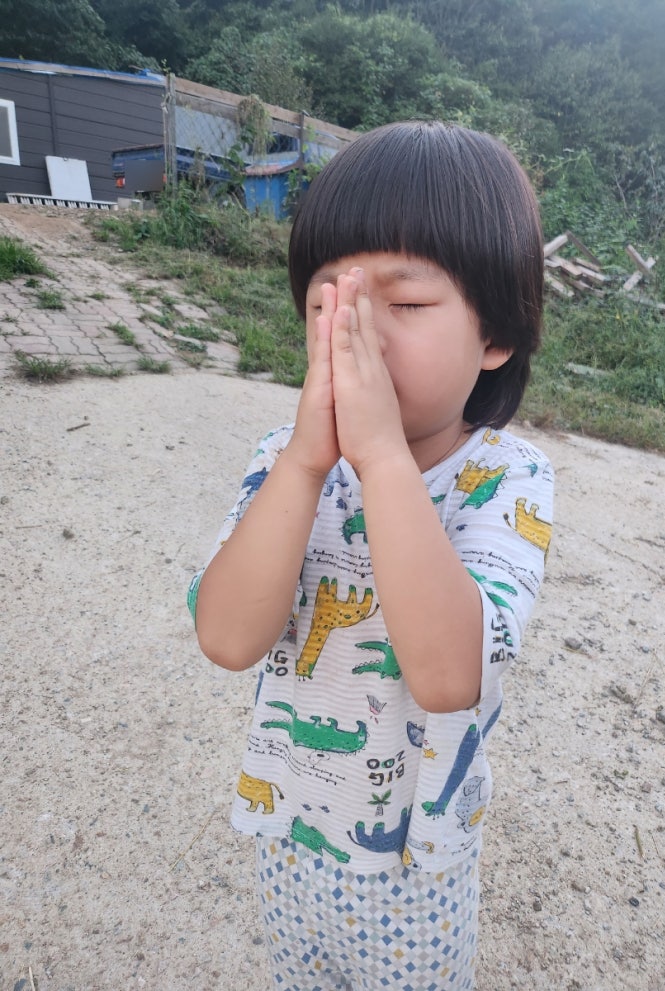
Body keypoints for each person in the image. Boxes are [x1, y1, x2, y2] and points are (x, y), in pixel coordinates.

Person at [188, 119, 554, 991]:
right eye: (329, 304)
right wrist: (303, 464)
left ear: (496, 334)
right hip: (289, 832)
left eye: (408, 304)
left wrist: (384, 457)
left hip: (417, 863)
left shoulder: (507, 477)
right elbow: (228, 638)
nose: (356, 335)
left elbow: (448, 675)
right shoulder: (283, 460)